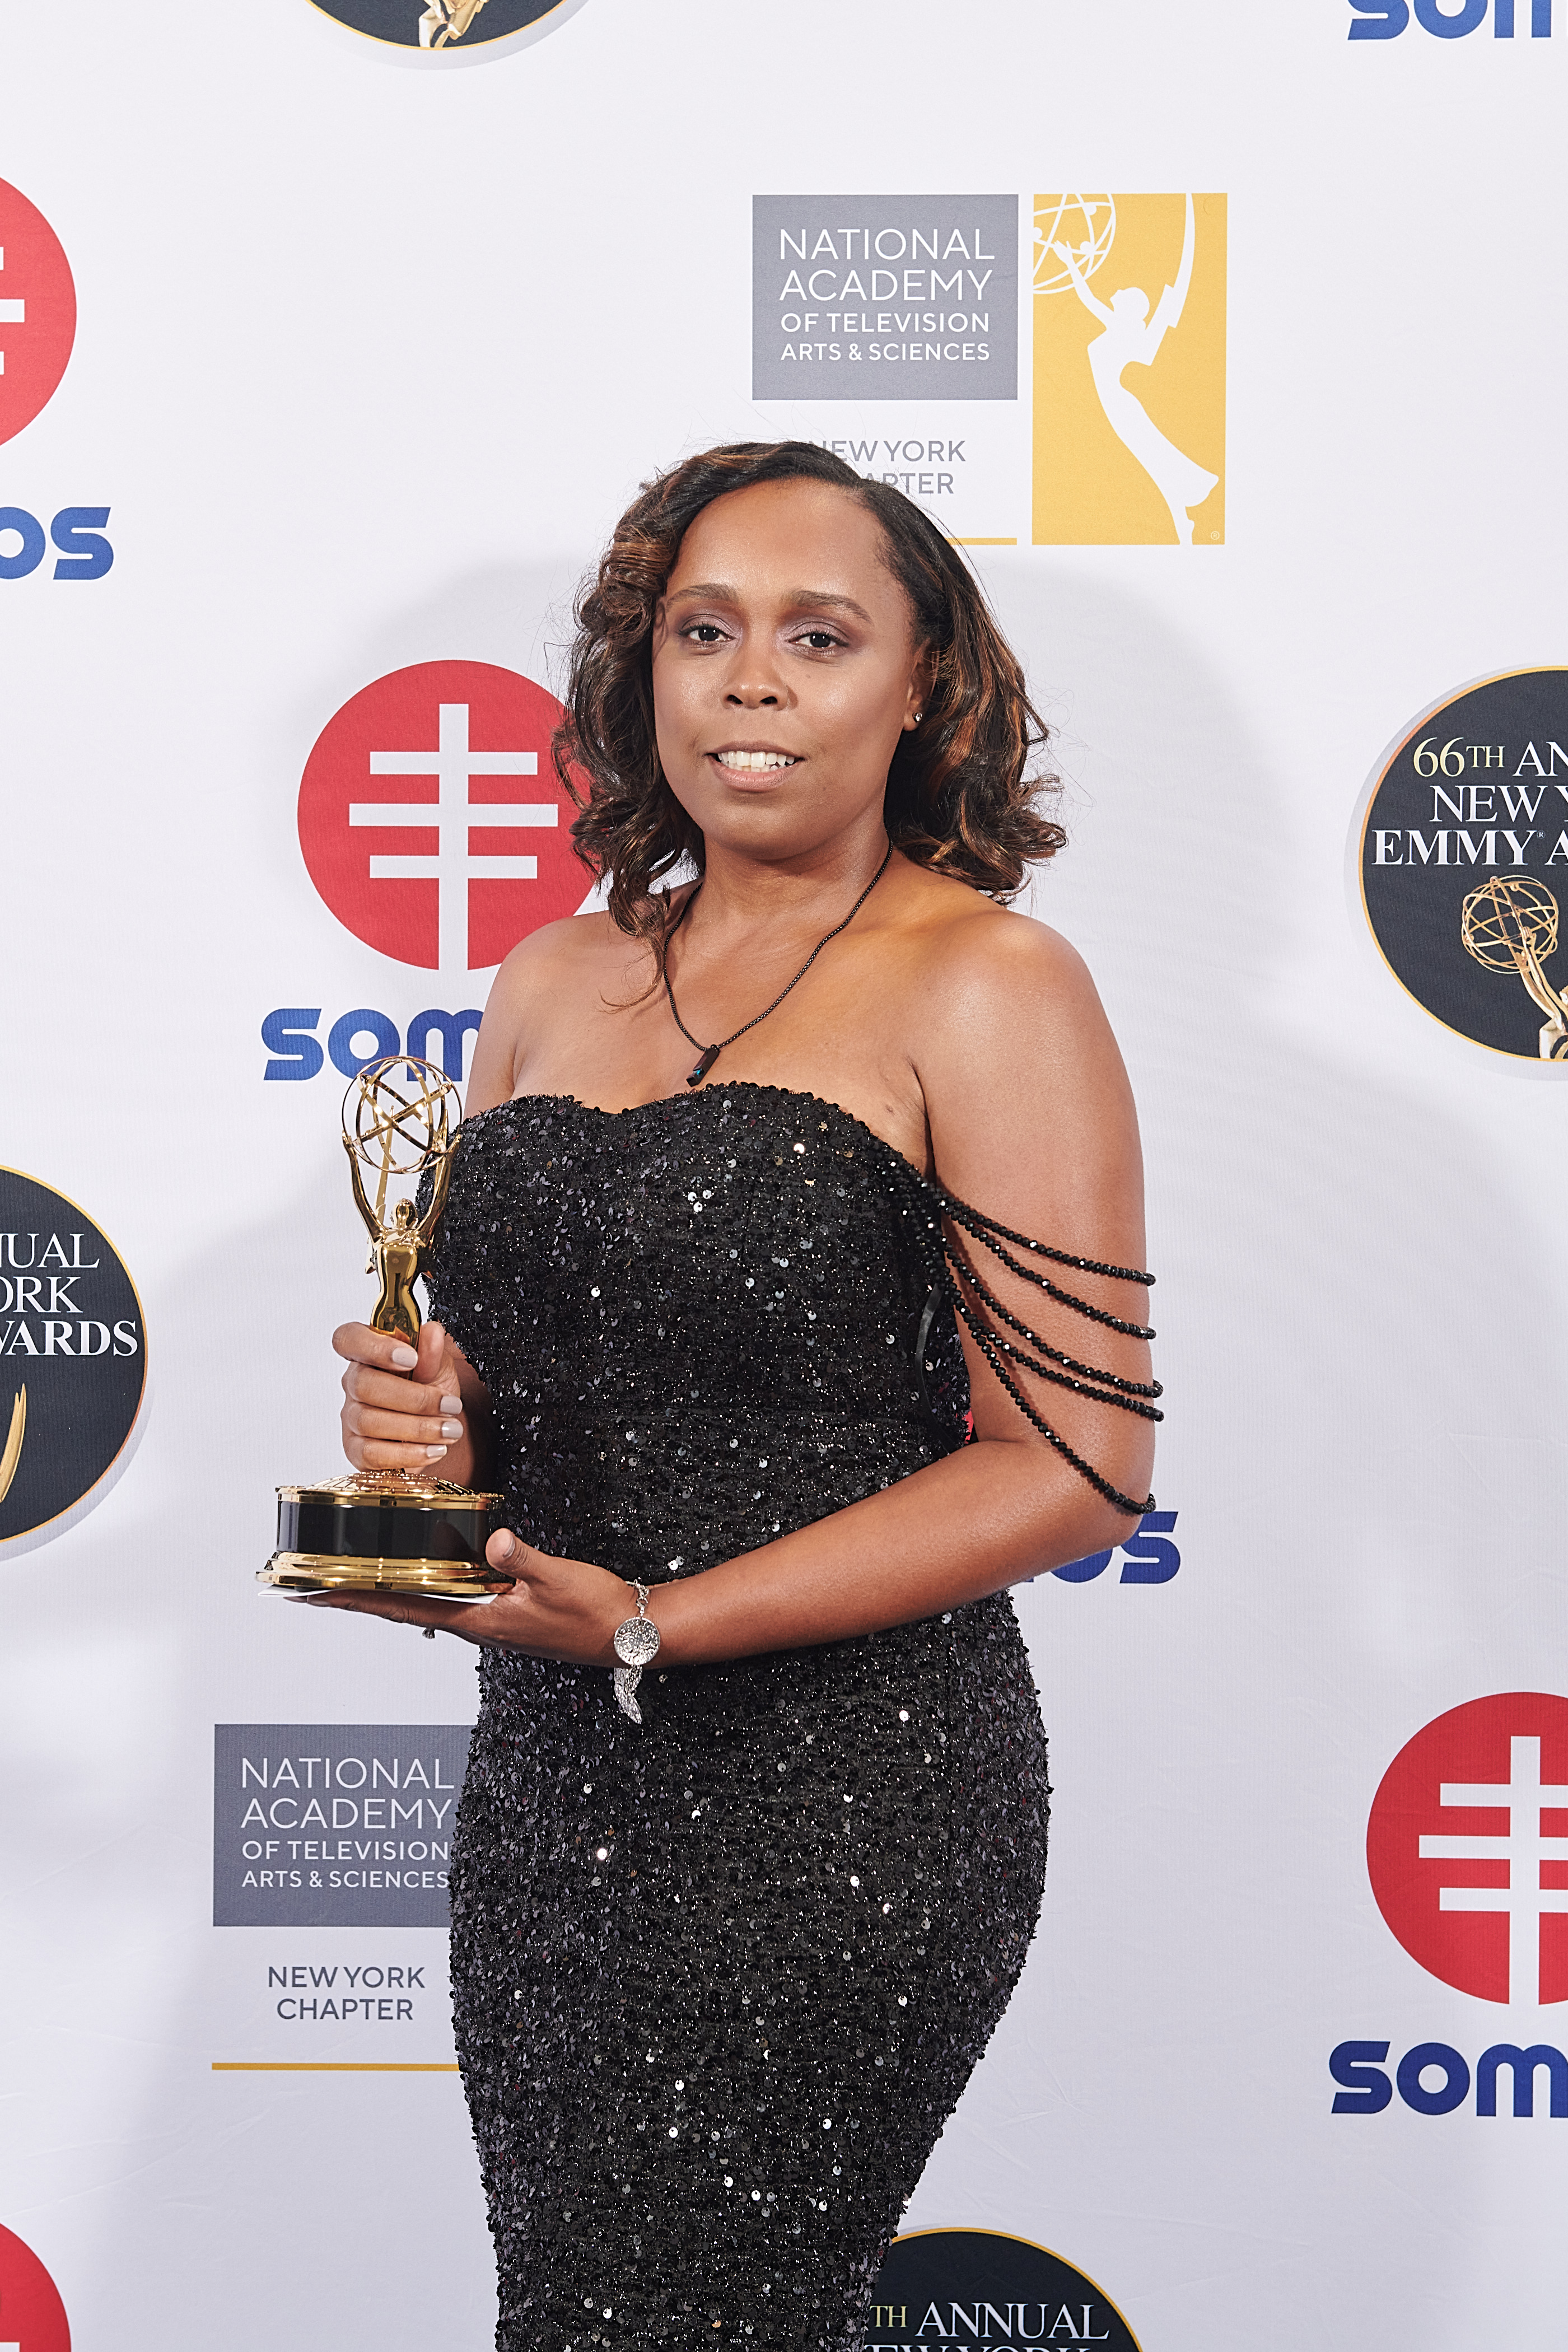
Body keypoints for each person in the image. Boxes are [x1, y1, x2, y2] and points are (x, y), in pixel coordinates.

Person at [316, 441, 1160, 2352]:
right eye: (705, 632)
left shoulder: (992, 982)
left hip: (845, 1796)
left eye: (818, 635)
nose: (751, 682)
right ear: (646, 670)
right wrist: (437, 1434)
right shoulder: (548, 979)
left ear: (923, 682)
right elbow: (534, 1402)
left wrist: (654, 1620)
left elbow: (1079, 1465)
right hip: (552, 1785)